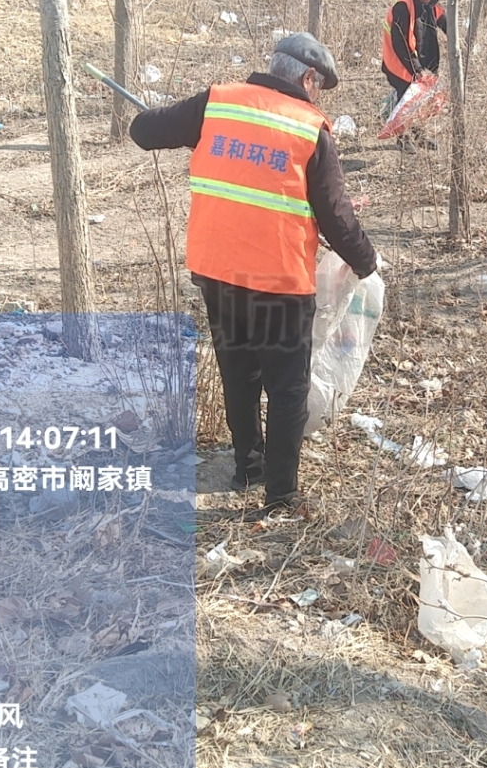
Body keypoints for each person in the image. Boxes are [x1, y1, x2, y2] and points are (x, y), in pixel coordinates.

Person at [130, 33, 378, 519]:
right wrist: (366, 263)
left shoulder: (217, 103)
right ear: (308, 78)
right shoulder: (309, 129)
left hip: (217, 272)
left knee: (239, 371)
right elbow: (336, 217)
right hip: (278, 281)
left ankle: (247, 465)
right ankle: (280, 496)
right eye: (318, 86)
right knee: (287, 388)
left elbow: (143, 130)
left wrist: (192, 130)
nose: (317, 96)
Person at [381, 0, 448, 108]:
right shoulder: (402, 7)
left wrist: (455, 38)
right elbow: (401, 45)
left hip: (417, 56)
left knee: (422, 98)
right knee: (406, 99)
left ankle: (393, 107)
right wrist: (418, 70)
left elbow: (440, 17)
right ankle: (391, 114)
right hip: (398, 60)